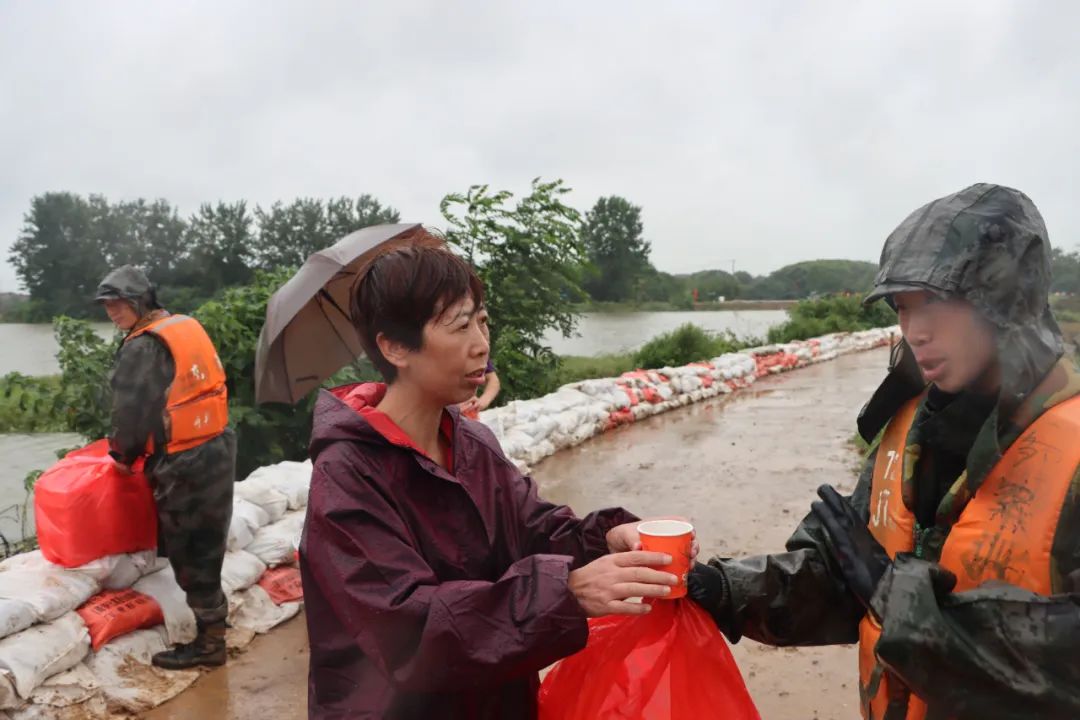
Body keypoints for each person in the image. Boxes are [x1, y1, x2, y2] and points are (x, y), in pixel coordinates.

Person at [688, 183, 1080, 720]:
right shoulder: (913, 425)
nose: (914, 331)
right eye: (902, 307)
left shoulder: (1074, 453)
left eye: (936, 303)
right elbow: (846, 577)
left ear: (1005, 300)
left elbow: (1062, 679)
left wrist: (895, 597)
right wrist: (724, 590)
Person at [299, 238, 693, 719]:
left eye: (482, 320)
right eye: (461, 325)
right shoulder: (348, 476)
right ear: (395, 346)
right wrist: (565, 594)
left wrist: (606, 540)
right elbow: (410, 629)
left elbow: (536, 531)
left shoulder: (472, 445)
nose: (482, 344)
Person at [95, 265, 237, 670]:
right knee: (208, 541)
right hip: (217, 444)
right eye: (106, 305)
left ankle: (210, 645)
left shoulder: (142, 345)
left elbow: (131, 409)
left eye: (117, 302)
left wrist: (123, 457)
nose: (111, 311)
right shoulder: (184, 324)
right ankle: (213, 631)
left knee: (190, 549)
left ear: (139, 300)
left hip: (186, 459)